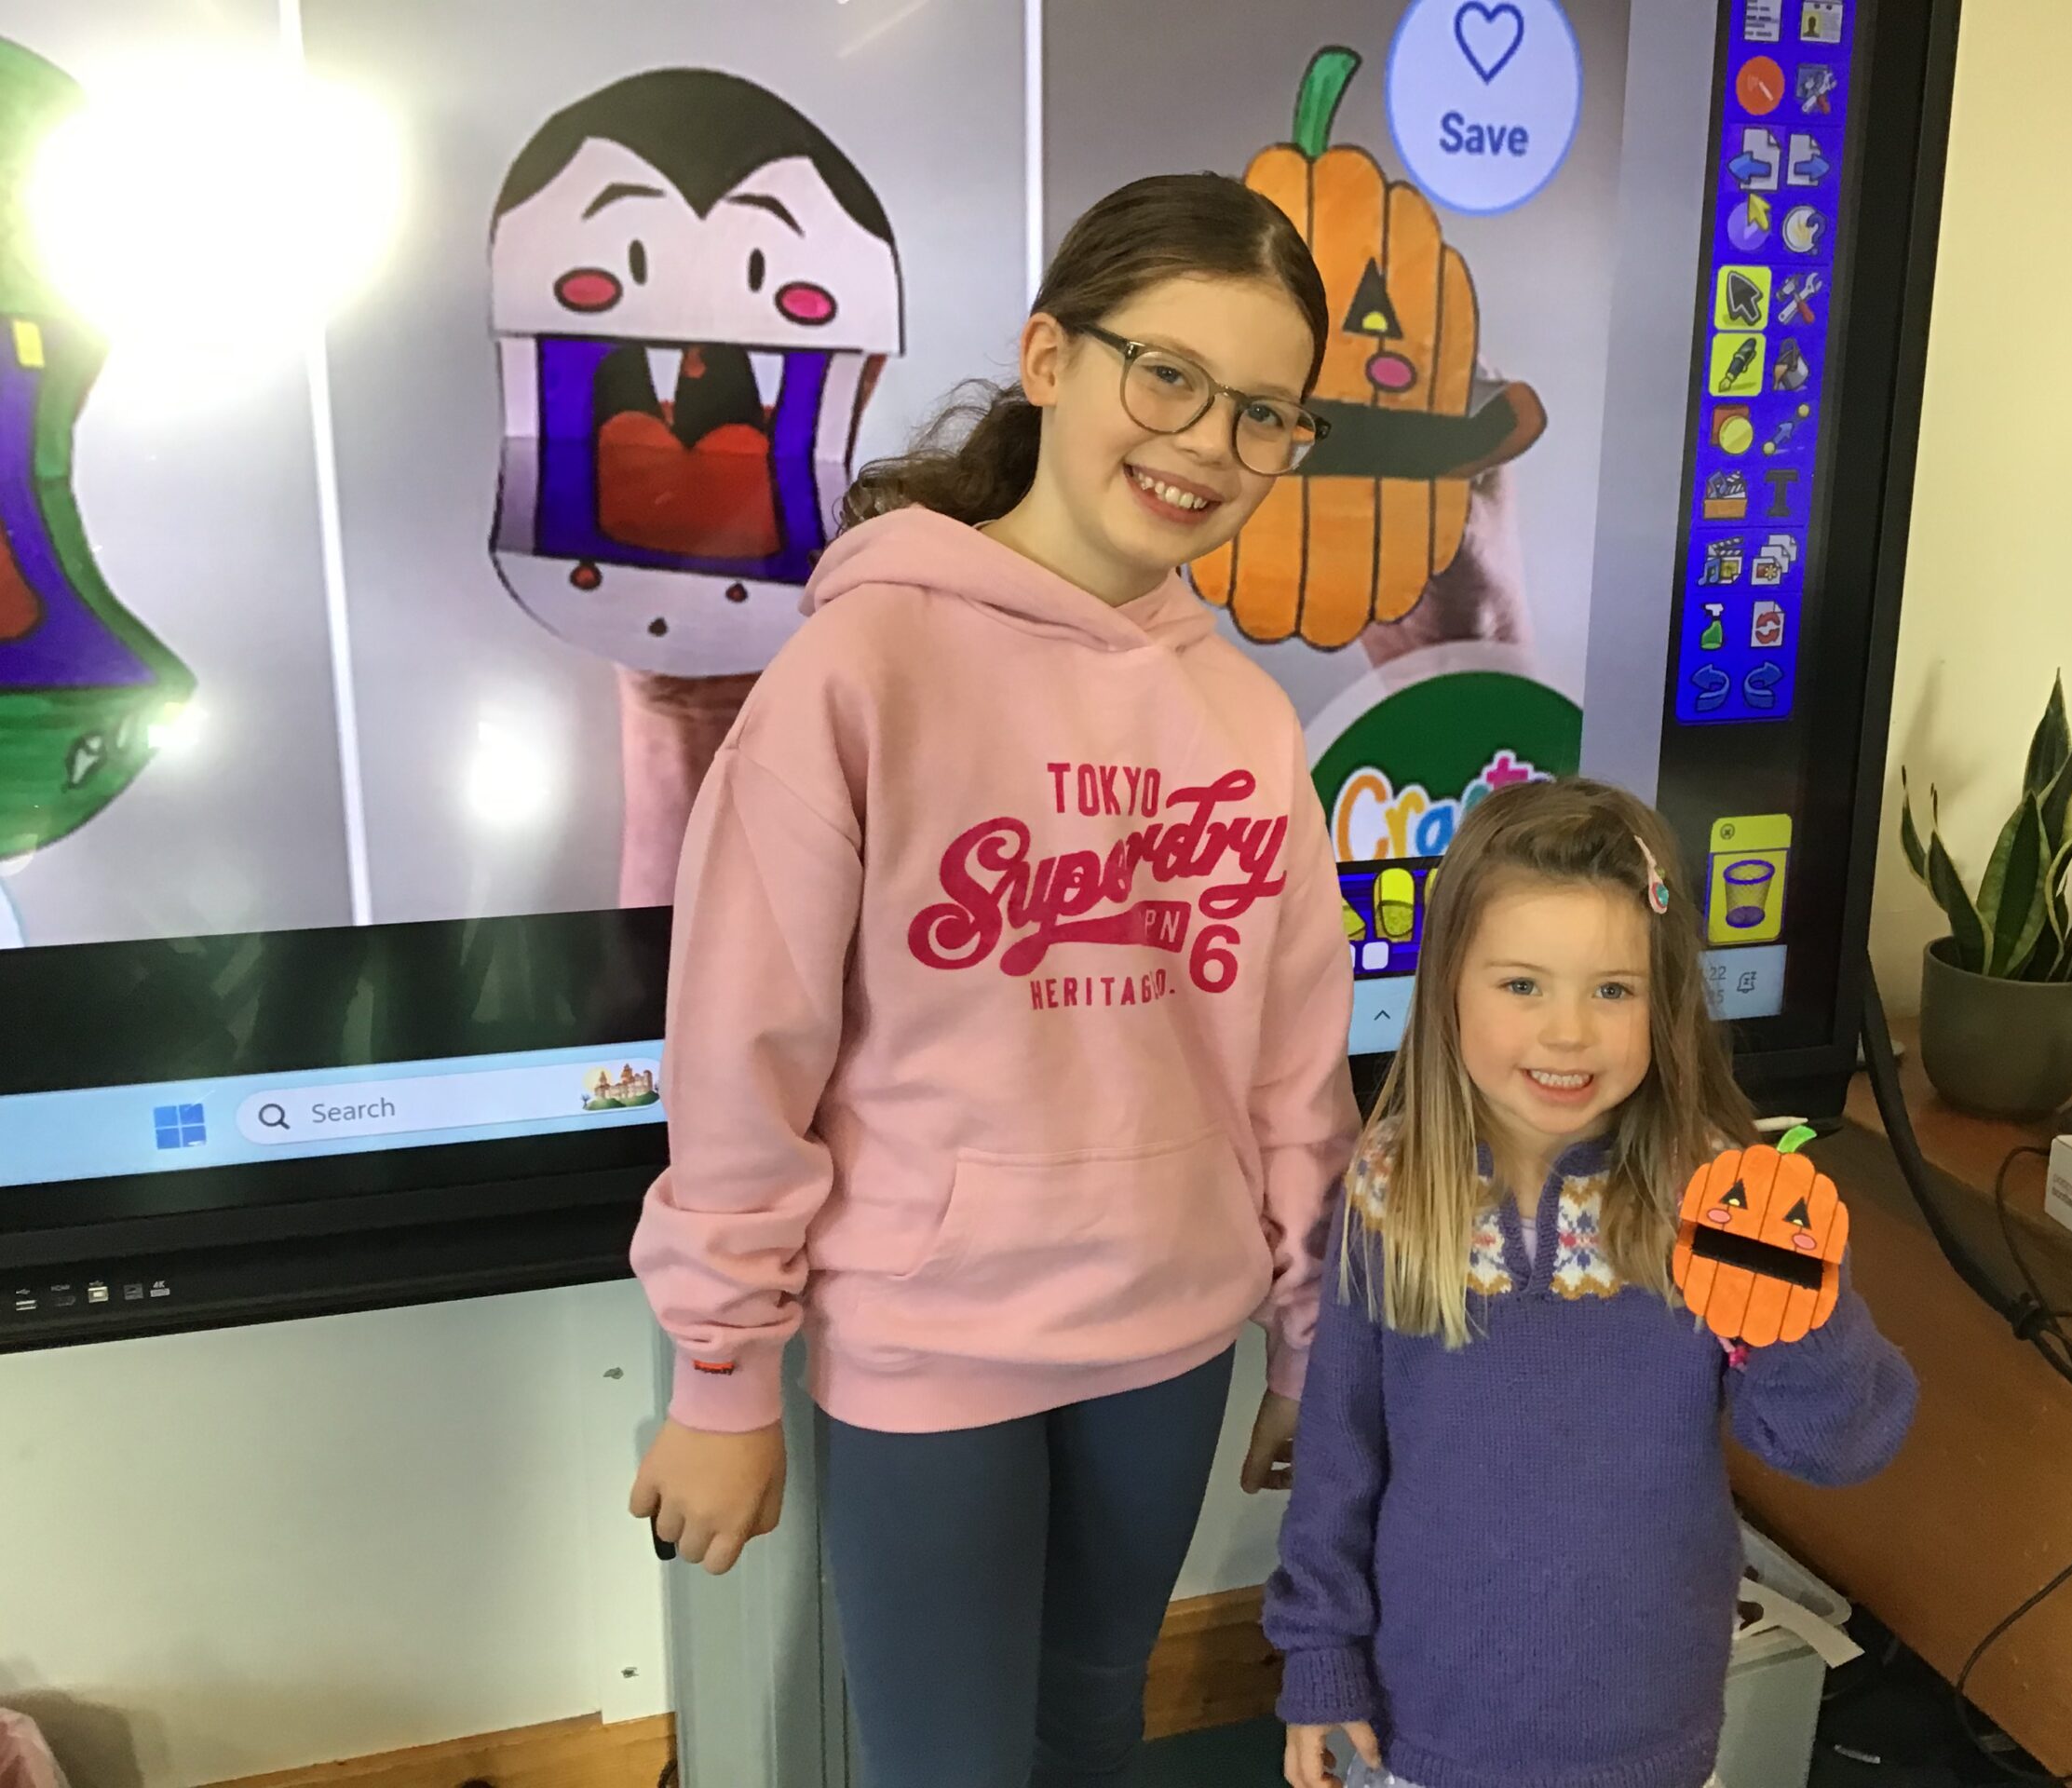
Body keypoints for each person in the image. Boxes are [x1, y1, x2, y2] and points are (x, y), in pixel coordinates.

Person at [625, 172, 1361, 1788]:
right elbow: (744, 1051)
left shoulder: (1247, 721)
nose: (1205, 445)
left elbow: (1295, 1076)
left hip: (1170, 1343)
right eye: (1166, 375)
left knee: (1093, 1727)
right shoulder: (863, 666)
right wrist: (722, 1376)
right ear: (1048, 359)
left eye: (1263, 415)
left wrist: (1318, 1345)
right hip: (928, 1342)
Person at [1267, 778, 1916, 1788]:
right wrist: (1318, 1653)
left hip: (1648, 1729)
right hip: (1425, 1726)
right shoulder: (1391, 1187)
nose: (1567, 1033)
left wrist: (1800, 1312)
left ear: (1664, 1003)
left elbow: (1839, 1447)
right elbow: (1339, 1453)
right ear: (1447, 988)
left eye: (1612, 991)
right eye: (1521, 985)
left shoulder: (1710, 1195)